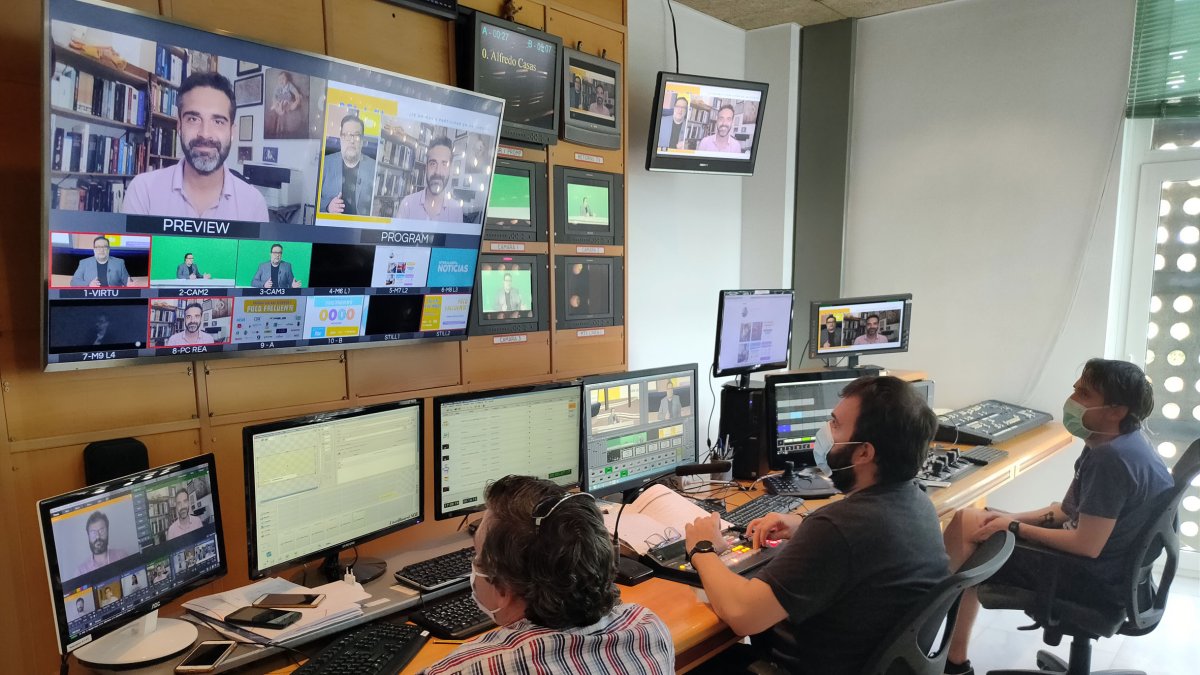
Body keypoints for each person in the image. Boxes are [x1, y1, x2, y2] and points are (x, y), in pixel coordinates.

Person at [684, 375, 948, 674]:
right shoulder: (917, 502)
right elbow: (860, 547)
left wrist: (702, 549)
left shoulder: (839, 528)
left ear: (864, 452)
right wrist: (804, 527)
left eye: (835, 424)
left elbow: (743, 615)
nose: (825, 432)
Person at [941, 359, 1171, 675]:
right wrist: (1003, 518)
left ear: (1116, 410)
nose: (1072, 399)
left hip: (1093, 580)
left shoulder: (1111, 460)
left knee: (969, 542)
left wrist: (1013, 527)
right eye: (1075, 388)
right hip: (1119, 574)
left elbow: (1085, 544)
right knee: (973, 520)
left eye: (1084, 394)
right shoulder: (1112, 442)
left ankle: (944, 654)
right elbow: (1065, 512)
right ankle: (950, 657)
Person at [422, 475, 674, 675]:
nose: (474, 565)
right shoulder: (648, 629)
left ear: (503, 589)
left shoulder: (463, 670)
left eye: (477, 557)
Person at [123, 72, 269, 221]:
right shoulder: (142, 191)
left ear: (232, 131)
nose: (205, 134)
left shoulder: (254, 205)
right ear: (179, 126)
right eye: (193, 119)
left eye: (218, 121)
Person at [320, 114, 377, 216]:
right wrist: (327, 206)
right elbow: (311, 198)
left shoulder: (374, 168)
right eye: (347, 135)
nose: (351, 141)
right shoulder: (325, 163)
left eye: (357, 136)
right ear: (341, 138)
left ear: (363, 141)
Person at [398, 137, 463, 223]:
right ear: (426, 168)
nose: (437, 172)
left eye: (444, 164)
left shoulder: (456, 210)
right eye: (433, 163)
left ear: (450, 170)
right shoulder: (407, 204)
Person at [76, 511, 133, 575]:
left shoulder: (122, 556)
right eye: (93, 532)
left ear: (107, 531)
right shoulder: (81, 571)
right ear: (88, 536)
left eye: (101, 530)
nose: (98, 536)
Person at [268, 70, 303, 136]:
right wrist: (275, 101)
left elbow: (294, 91)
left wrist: (297, 96)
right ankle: (279, 108)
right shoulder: (278, 86)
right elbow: (274, 95)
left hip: (287, 100)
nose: (281, 80)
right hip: (280, 100)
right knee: (276, 104)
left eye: (283, 78)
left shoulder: (290, 85)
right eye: (280, 79)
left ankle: (286, 107)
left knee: (292, 105)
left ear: (287, 79)